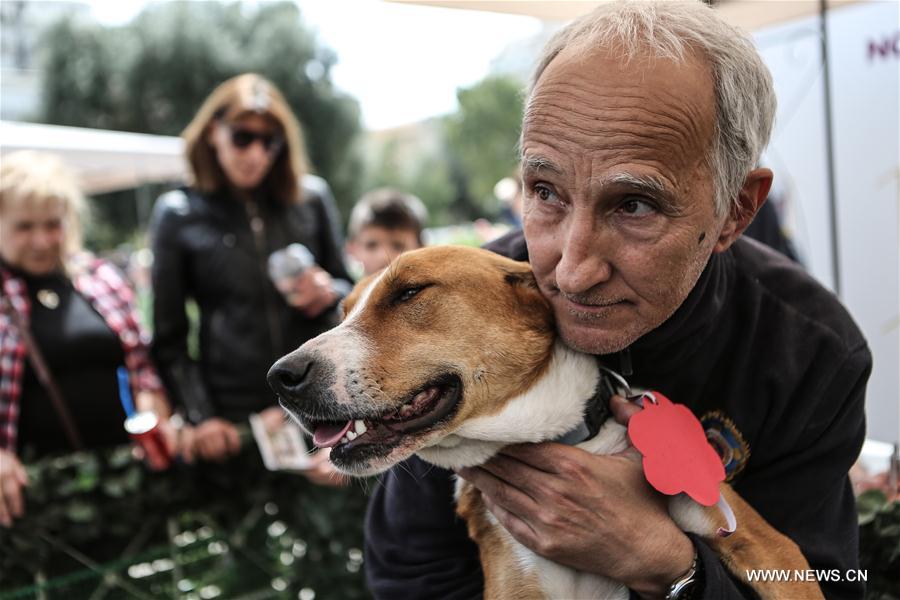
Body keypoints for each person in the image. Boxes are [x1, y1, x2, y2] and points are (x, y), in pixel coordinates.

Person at [364, 2, 870, 599]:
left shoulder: (809, 350)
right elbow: (409, 575)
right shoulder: (471, 305)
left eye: (635, 205)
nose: (571, 273)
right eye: (546, 192)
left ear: (737, 209)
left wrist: (668, 566)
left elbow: (832, 583)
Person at [150, 73, 352, 482]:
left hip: (319, 402)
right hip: (234, 418)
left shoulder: (310, 198)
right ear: (213, 133)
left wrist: (328, 291)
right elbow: (169, 337)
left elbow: (352, 296)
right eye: (243, 137)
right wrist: (200, 414)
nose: (256, 153)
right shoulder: (178, 213)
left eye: (270, 141)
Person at [0, 151, 179, 528]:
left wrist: (152, 411)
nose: (41, 240)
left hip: (122, 480)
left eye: (53, 224)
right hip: (35, 497)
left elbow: (141, 365)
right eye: (24, 227)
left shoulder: (99, 278)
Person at [346, 187, 427, 276]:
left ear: (421, 249)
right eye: (371, 245)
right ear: (352, 249)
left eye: (398, 246)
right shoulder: (337, 289)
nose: (383, 257)